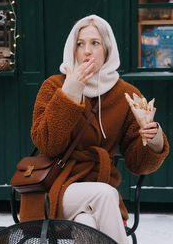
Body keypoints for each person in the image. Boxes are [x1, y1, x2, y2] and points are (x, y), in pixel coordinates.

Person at [20, 15, 169, 244]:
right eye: (80, 44)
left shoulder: (125, 94)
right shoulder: (54, 86)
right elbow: (47, 143)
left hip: (94, 193)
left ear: (108, 49)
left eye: (94, 43)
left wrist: (155, 138)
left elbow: (138, 164)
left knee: (87, 224)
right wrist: (70, 93)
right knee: (105, 194)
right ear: (73, 49)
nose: (86, 51)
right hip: (53, 188)